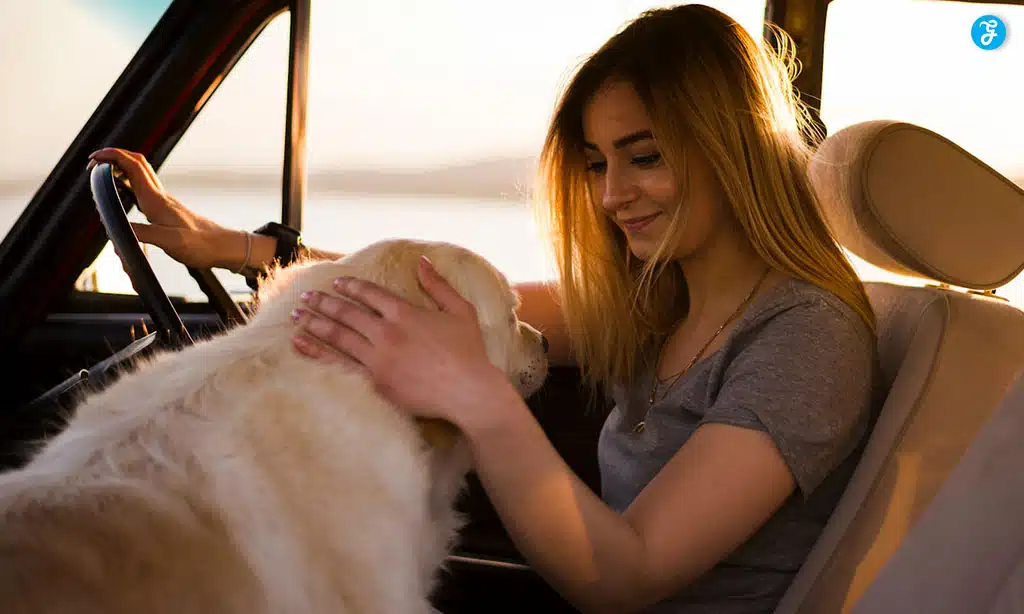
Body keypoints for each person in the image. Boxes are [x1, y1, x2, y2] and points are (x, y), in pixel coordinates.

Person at [88, 4, 880, 612]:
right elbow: (435, 301)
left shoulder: (809, 338)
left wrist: (474, 393)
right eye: (598, 163)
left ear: (729, 146)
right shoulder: (660, 298)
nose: (610, 196)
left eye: (645, 157)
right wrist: (228, 245)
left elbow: (626, 573)